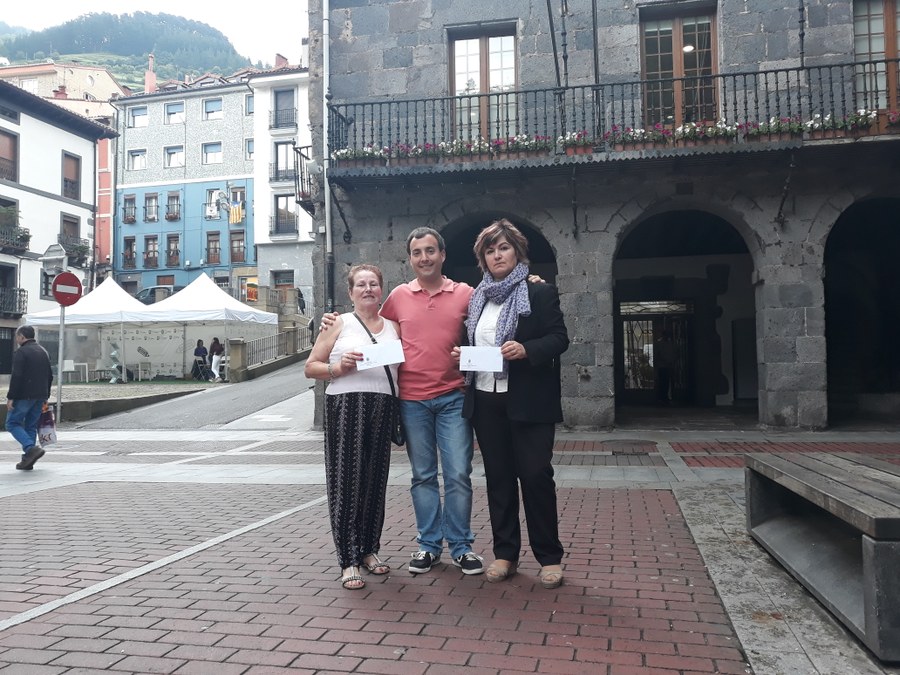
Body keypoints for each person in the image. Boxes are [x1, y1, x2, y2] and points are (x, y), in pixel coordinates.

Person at [320, 227, 484, 576]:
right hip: (411, 401)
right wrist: (328, 321)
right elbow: (370, 322)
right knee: (422, 476)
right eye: (416, 253)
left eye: (430, 251)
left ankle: (461, 546)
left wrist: (527, 279)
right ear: (410, 259)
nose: (424, 258)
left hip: (453, 397)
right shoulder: (396, 296)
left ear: (442, 254)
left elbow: (490, 324)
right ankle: (428, 546)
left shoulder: (466, 293)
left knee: (458, 474)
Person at [454, 218, 569, 589]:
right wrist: (463, 353)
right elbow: (471, 341)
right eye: (490, 250)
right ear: (482, 258)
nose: (497, 255)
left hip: (529, 401)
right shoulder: (477, 298)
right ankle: (506, 554)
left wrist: (526, 349)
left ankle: (549, 557)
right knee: (499, 480)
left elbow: (559, 338)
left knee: (536, 476)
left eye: (503, 248)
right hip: (486, 400)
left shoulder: (539, 292)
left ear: (517, 252)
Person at [304, 264, 400, 589]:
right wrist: (338, 367)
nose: (368, 289)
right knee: (347, 481)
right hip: (346, 403)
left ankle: (369, 549)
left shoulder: (393, 326)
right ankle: (348, 558)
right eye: (361, 284)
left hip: (383, 404)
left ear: (382, 289)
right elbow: (310, 367)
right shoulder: (338, 323)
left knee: (376, 481)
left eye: (374, 283)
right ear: (351, 292)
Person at [6, 325, 53, 471]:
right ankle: (28, 460)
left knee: (12, 423)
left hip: (24, 395)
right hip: (40, 395)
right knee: (31, 426)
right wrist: (46, 394)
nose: (16, 339)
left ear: (21, 336)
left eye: (17, 336)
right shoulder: (43, 351)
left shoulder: (22, 352)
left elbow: (17, 376)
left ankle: (30, 448)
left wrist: (11, 396)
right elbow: (50, 375)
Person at [655, 329, 676, 403]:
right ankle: (662, 397)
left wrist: (671, 362)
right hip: (662, 366)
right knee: (662, 382)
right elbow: (658, 355)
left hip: (668, 365)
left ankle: (666, 397)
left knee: (667, 382)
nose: (667, 337)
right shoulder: (660, 344)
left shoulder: (670, 344)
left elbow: (673, 354)